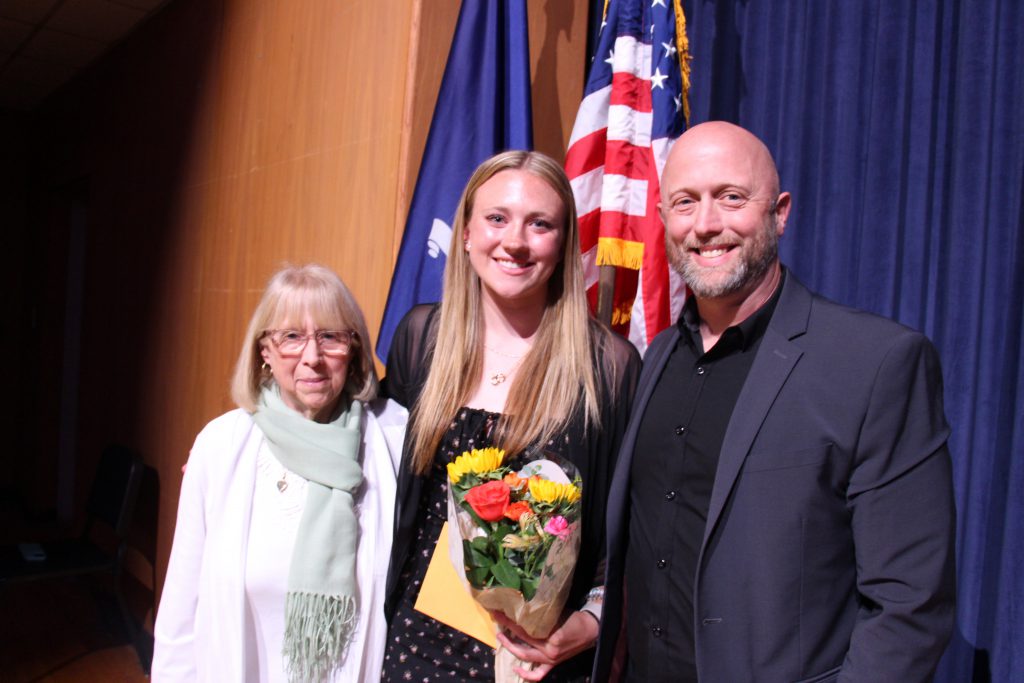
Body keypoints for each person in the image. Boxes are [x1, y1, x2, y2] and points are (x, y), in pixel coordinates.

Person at [595, 121, 957, 682]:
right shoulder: (656, 357)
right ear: (663, 221)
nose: (707, 224)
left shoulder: (875, 362)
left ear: (780, 212)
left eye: (731, 198)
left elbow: (910, 608)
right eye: (685, 203)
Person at [381, 150, 640, 682]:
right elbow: (364, 448)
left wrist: (592, 623)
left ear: (564, 242)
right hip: (417, 646)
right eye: (497, 218)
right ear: (468, 233)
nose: (515, 241)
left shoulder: (606, 368)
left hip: (540, 660)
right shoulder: (422, 340)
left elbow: (631, 531)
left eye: (539, 224)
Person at [152, 264, 407, 682]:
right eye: (291, 337)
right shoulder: (220, 446)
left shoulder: (393, 438)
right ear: (264, 353)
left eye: (330, 336)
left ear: (355, 349)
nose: (312, 357)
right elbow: (182, 610)